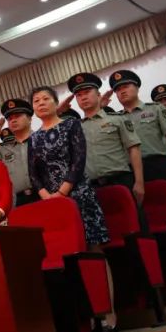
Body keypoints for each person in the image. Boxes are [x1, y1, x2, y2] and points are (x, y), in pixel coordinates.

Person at [27, 86, 110, 248]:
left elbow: (78, 160)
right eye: (36, 101)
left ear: (56, 102)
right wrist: (47, 197)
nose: (41, 103)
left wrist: (61, 193)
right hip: (51, 201)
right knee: (66, 248)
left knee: (93, 248)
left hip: (78, 193)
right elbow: (33, 173)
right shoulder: (33, 138)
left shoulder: (71, 125)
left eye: (46, 99)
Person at [70, 73, 145, 203]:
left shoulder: (118, 119)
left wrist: (139, 182)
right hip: (92, 187)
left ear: (98, 95)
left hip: (120, 180)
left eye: (87, 92)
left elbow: (134, 149)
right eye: (79, 95)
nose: (83, 97)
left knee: (133, 215)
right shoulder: (75, 128)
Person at [109, 70, 166, 185]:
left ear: (137, 88)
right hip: (130, 170)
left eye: (126, 86)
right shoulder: (116, 118)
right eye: (118, 89)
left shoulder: (155, 109)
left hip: (157, 164)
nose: (122, 91)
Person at [0, 98, 38, 207]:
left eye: (17, 116)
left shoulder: (42, 140)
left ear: (29, 118)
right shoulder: (4, 150)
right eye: (9, 119)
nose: (13, 120)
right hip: (18, 201)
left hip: (44, 194)